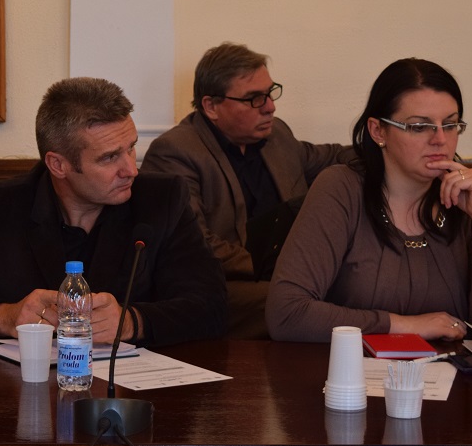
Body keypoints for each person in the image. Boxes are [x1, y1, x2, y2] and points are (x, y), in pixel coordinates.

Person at [0, 77, 228, 347]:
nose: (131, 169)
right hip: (21, 389)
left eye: (131, 147)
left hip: (132, 393)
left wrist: (132, 322)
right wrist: (5, 316)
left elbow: (212, 307)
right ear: (58, 165)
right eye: (109, 157)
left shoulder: (161, 199)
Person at [266, 58, 472, 342]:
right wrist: (404, 325)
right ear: (378, 131)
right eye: (419, 126)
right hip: (353, 368)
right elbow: (287, 314)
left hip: (451, 369)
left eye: (450, 124)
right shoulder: (341, 189)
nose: (440, 139)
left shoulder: (471, 193)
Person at [140, 42, 348, 338]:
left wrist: (389, 146)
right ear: (211, 106)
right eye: (254, 98)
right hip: (222, 282)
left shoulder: (277, 136)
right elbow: (197, 245)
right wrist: (283, 267)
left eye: (270, 93)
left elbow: (334, 157)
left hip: (287, 272)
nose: (270, 106)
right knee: (303, 300)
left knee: (357, 282)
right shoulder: (176, 152)